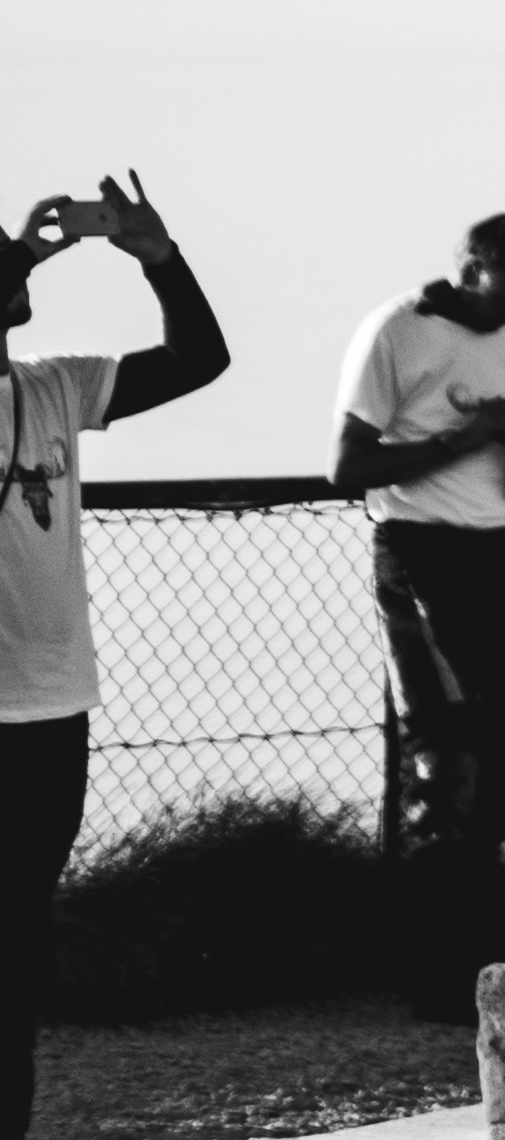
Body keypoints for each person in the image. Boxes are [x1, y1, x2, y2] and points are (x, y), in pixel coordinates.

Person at [5, 178, 227, 1140]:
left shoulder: (51, 387)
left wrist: (160, 258)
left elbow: (199, 358)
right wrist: (18, 258)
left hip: (53, 712)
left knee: (17, 952)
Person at [330, 216, 505, 1016]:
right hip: (421, 553)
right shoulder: (397, 329)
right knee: (443, 767)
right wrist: (467, 437)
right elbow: (348, 464)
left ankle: (478, 955)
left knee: (496, 766)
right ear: (472, 267)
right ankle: (433, 973)